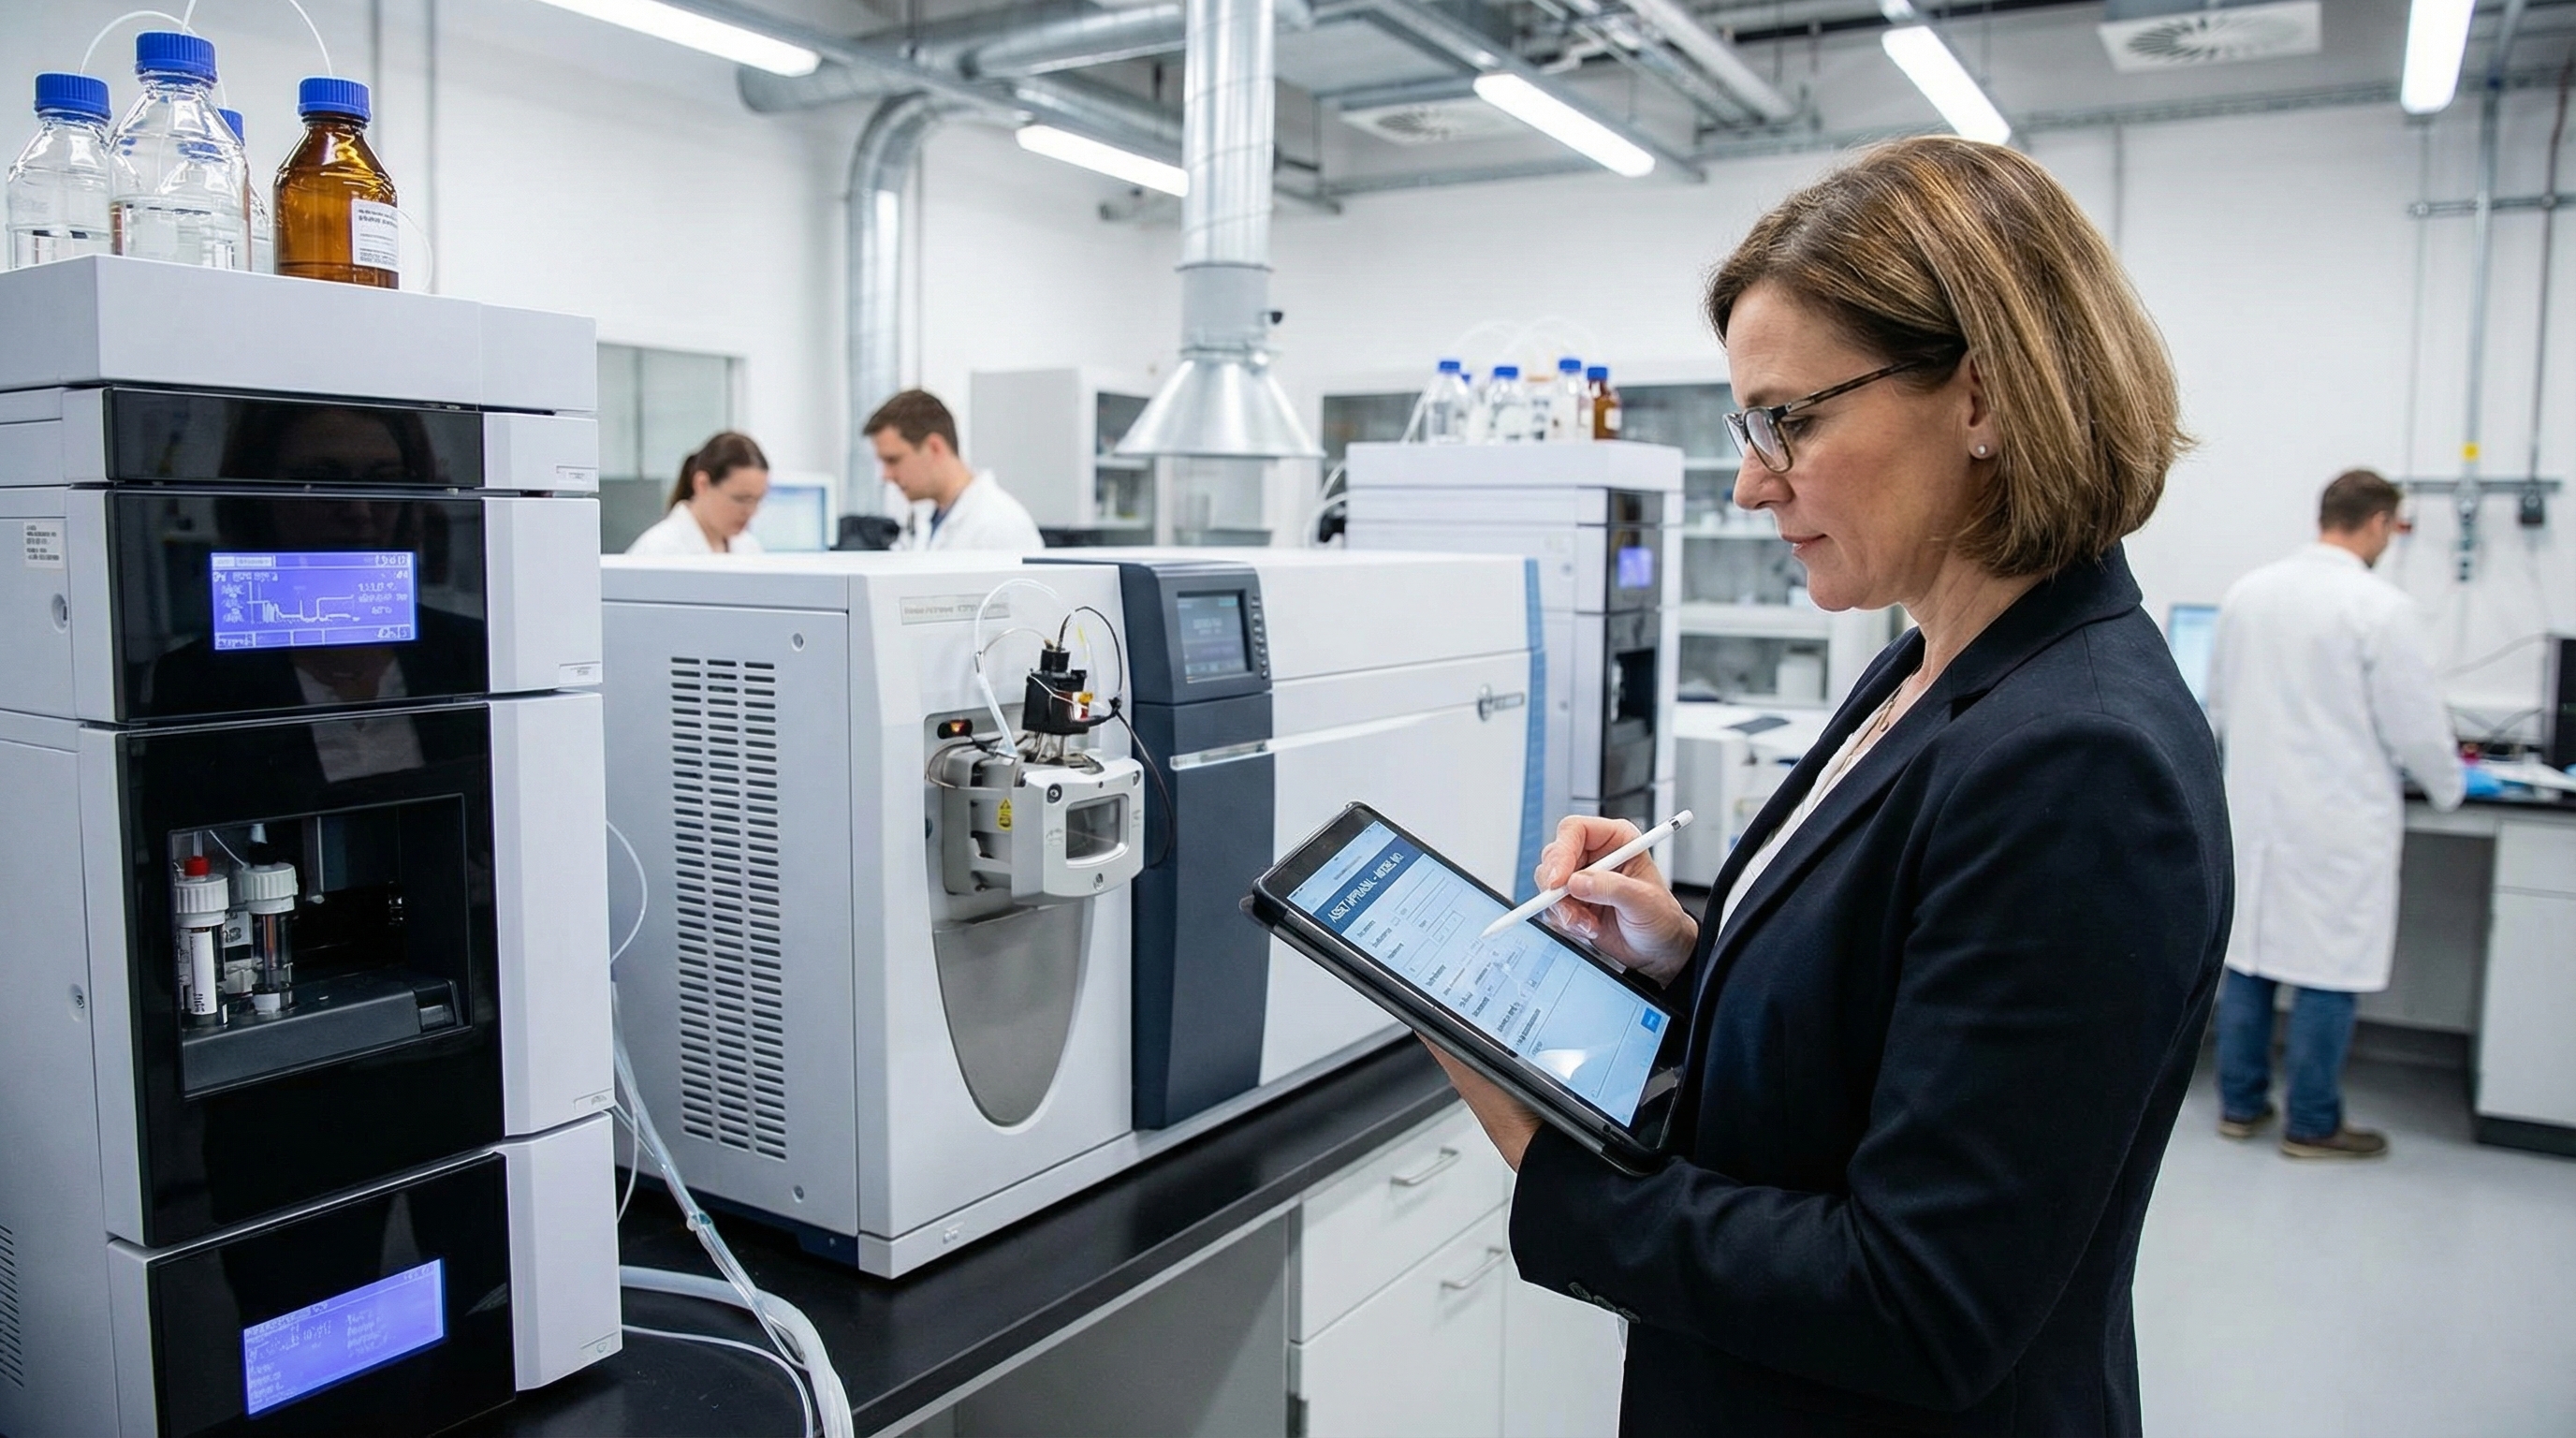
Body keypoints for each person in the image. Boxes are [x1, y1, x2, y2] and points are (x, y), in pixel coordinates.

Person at [1425, 137, 2231, 1437]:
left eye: (1789, 419)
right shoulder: (1928, 661)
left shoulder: (2082, 762)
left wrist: (1549, 1158)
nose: (1752, 481)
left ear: (1985, 396)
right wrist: (1694, 953)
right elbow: (1895, 1016)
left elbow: (1919, 1299)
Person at [2205, 470, 2466, 1160]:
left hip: (2256, 812)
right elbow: (2416, 730)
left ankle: (2238, 1106)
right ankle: (2312, 1124)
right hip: (2337, 820)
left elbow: (2220, 707)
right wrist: (2452, 789)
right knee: (2329, 969)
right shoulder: (2380, 607)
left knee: (2251, 959)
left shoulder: (2247, 594)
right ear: (2379, 522)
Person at [862, 389, 1045, 552]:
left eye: (893, 460)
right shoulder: (927, 519)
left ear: (934, 448)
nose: (886, 475)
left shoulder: (1001, 525)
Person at [627, 432, 770, 555]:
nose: (751, 512)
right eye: (741, 499)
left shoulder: (749, 548)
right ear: (702, 484)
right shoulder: (657, 550)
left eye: (757, 500)